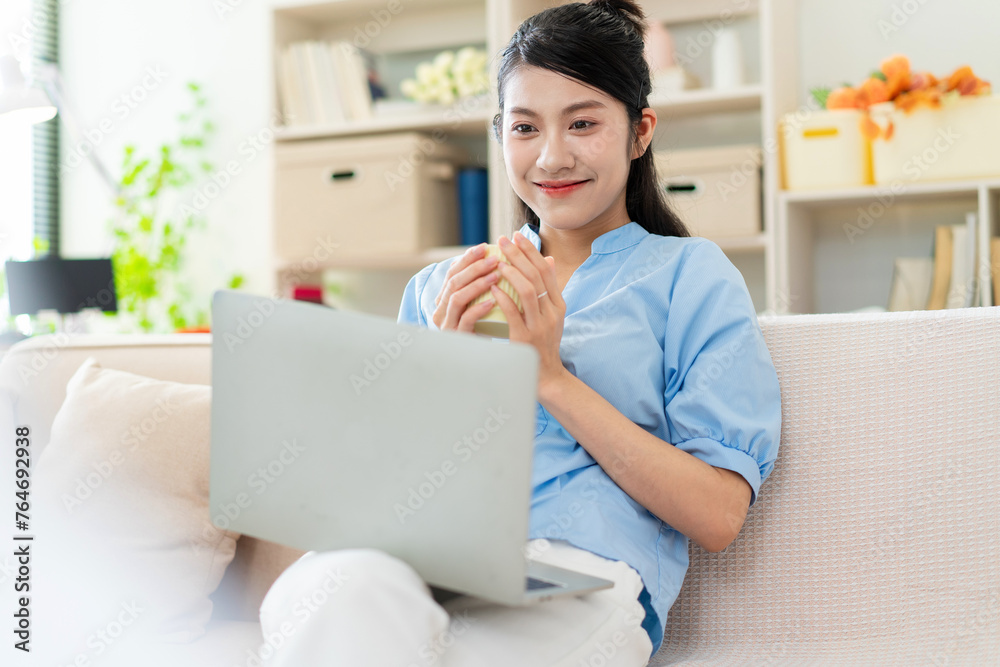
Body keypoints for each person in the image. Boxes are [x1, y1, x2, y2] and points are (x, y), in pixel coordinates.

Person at [258, 1, 781, 665]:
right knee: (332, 587)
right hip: (421, 567)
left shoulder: (689, 277)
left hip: (583, 581)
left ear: (640, 131)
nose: (552, 156)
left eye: (584, 123)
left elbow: (717, 514)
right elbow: (388, 493)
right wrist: (443, 375)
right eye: (526, 127)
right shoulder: (441, 289)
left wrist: (549, 379)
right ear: (500, 133)